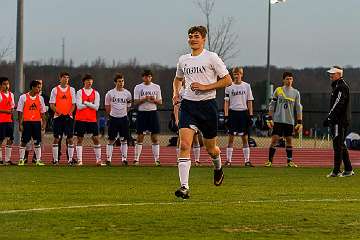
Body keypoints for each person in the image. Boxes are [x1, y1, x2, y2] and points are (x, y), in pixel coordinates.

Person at [172, 25, 232, 199]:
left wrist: (206, 87)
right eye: (190, 36)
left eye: (196, 36)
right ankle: (184, 187)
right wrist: (176, 93)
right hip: (189, 106)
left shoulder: (211, 57)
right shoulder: (183, 60)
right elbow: (177, 79)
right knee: (184, 145)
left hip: (208, 107)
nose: (193, 39)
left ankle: (218, 168)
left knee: (211, 149)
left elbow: (227, 80)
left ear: (203, 39)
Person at [264, 72, 302, 167]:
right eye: (287, 79)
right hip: (278, 120)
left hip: (289, 121)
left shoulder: (296, 92)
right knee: (274, 140)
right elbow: (272, 105)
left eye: (291, 79)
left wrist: (299, 122)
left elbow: (298, 108)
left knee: (289, 140)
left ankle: (289, 162)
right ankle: (270, 161)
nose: (289, 81)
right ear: (283, 80)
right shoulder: (278, 90)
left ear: (292, 80)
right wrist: (269, 118)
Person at [323, 66, 354, 177]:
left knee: (337, 145)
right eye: (330, 73)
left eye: (333, 73)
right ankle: (348, 169)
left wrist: (330, 117)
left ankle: (336, 171)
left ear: (339, 74)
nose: (330, 75)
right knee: (341, 145)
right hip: (339, 120)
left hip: (339, 121)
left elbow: (339, 103)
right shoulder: (337, 86)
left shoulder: (341, 87)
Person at [224, 67, 254, 167]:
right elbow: (226, 102)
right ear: (233, 75)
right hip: (233, 113)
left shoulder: (247, 86)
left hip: (243, 113)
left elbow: (249, 101)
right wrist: (226, 115)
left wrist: (250, 115)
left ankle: (247, 161)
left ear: (242, 74)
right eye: (235, 74)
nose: (237, 75)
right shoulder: (229, 86)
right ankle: (228, 161)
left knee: (245, 138)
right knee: (231, 138)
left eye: (239, 73)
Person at [133, 69, 162, 166]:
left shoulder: (156, 87)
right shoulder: (138, 87)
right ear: (143, 77)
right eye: (146, 76)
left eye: (149, 76)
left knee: (154, 137)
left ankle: (157, 160)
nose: (147, 78)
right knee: (140, 136)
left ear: (151, 77)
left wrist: (154, 100)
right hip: (142, 113)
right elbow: (136, 102)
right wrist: (144, 98)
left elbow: (160, 102)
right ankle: (136, 159)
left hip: (152, 113)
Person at [74, 74, 103, 166]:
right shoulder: (79, 92)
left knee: (96, 138)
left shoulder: (96, 93)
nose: (89, 82)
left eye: (91, 80)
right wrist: (91, 104)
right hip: (80, 119)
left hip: (92, 119)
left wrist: (85, 103)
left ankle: (98, 160)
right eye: (87, 81)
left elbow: (96, 107)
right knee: (80, 139)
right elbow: (78, 106)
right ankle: (80, 160)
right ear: (84, 82)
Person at [17, 80, 47, 166]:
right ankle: (21, 159)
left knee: (37, 142)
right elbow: (20, 112)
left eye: (40, 88)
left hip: (37, 122)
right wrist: (20, 124)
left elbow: (42, 112)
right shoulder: (23, 97)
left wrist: (44, 123)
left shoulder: (40, 98)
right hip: (27, 122)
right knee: (24, 141)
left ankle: (38, 160)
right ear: (33, 87)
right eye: (38, 87)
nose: (39, 89)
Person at [105, 73, 132, 166]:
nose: (121, 83)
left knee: (124, 140)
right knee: (111, 139)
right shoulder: (110, 93)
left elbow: (128, 106)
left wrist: (123, 113)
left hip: (123, 119)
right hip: (113, 118)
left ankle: (124, 159)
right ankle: (108, 159)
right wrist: (111, 115)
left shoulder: (127, 93)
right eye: (119, 81)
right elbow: (107, 106)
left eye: (122, 81)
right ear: (115, 82)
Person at [49, 72, 76, 165]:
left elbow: (73, 104)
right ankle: (56, 159)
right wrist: (59, 112)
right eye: (64, 77)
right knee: (57, 138)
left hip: (68, 117)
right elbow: (52, 104)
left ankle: (70, 159)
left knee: (70, 138)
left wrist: (69, 113)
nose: (66, 79)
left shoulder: (72, 89)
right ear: (60, 79)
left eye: (68, 78)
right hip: (58, 117)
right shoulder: (55, 90)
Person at [173, 83, 202, 166]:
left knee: (195, 138)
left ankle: (197, 160)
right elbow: (176, 106)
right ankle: (179, 159)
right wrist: (177, 119)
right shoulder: (179, 91)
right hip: (184, 116)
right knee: (180, 139)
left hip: (194, 116)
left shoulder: (194, 89)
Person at [0, 77, 16, 165]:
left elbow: (12, 106)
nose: (7, 86)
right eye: (4, 84)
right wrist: (6, 111)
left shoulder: (11, 95)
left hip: (9, 120)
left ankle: (7, 159)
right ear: (0, 85)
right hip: (1, 121)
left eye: (8, 84)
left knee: (10, 139)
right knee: (0, 139)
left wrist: (11, 112)